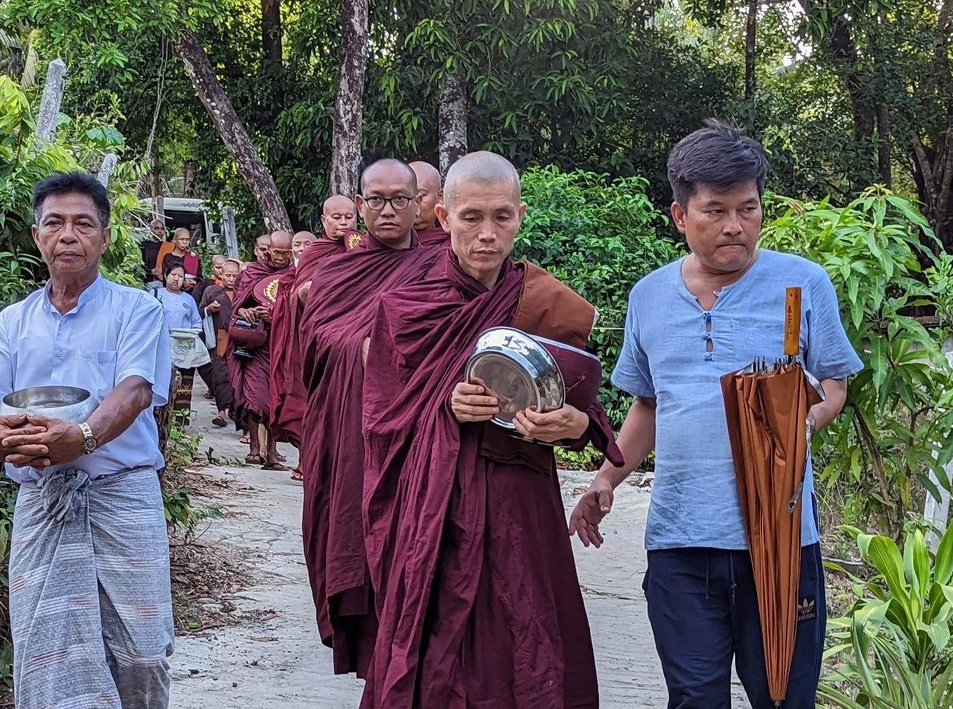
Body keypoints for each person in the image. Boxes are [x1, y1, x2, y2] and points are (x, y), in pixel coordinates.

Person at [569, 121, 864, 709]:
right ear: (680, 216)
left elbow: (834, 385)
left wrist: (801, 418)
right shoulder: (648, 295)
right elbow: (648, 403)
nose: (736, 226)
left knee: (784, 698)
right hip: (680, 544)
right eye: (716, 210)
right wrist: (606, 478)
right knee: (695, 699)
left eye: (748, 208)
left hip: (780, 541)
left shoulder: (801, 286)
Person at [359, 151, 620, 709]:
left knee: (525, 639)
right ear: (443, 216)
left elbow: (582, 412)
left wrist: (572, 424)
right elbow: (380, 416)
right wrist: (443, 406)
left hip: (521, 504)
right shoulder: (406, 304)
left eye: (501, 217)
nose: (486, 233)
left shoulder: (550, 303)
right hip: (437, 506)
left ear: (520, 216)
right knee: (436, 646)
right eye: (471, 217)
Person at [0, 172, 173, 708]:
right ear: (37, 236)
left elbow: (136, 389)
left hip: (124, 496)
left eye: (83, 224)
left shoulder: (136, 310)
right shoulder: (11, 322)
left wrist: (84, 437)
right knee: (46, 652)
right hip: (43, 501)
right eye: (55, 223)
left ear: (105, 234)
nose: (68, 235)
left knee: (142, 654)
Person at [299, 159, 442, 677]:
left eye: (399, 199)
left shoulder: (443, 265)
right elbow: (313, 345)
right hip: (351, 431)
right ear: (359, 206)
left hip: (417, 437)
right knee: (355, 534)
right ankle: (376, 662)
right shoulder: (335, 272)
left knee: (416, 546)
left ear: (419, 203)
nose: (387, 209)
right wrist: (363, 346)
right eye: (375, 199)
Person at [227, 231, 295, 469]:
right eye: (277, 252)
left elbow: (297, 310)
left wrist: (275, 315)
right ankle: (255, 448)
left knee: (276, 399)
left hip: (280, 345)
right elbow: (237, 305)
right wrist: (245, 312)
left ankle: (273, 453)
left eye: (287, 254)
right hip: (254, 346)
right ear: (268, 250)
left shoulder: (294, 276)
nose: (281, 258)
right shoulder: (252, 274)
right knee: (254, 397)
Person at [155, 259, 206, 425]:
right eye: (173, 275)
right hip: (162, 347)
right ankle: (160, 420)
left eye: (181, 276)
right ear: (165, 275)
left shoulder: (189, 300)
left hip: (184, 348)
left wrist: (193, 331)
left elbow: (197, 322)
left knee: (185, 385)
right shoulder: (155, 295)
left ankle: (180, 423)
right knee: (164, 382)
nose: (176, 279)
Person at [295, 195, 360, 307]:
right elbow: (299, 294)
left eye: (349, 217)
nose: (343, 222)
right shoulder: (313, 252)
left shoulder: (364, 246)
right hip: (323, 313)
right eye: (336, 218)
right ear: (324, 220)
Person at [198, 258, 239, 427]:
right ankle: (221, 412)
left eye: (235, 276)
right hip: (220, 337)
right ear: (221, 273)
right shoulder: (211, 291)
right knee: (220, 374)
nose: (231, 279)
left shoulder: (244, 291)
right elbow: (199, 311)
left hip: (239, 338)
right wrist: (209, 309)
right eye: (228, 275)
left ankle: (237, 413)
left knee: (237, 376)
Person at [408, 160, 449, 245]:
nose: (413, 203)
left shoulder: (453, 240)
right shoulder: (386, 242)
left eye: (421, 195)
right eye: (402, 197)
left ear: (440, 196)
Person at [140, 218, 166, 285]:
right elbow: (139, 264)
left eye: (162, 229)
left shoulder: (167, 246)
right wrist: (150, 271)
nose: (160, 231)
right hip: (147, 280)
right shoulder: (143, 245)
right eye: (157, 228)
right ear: (151, 230)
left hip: (163, 282)